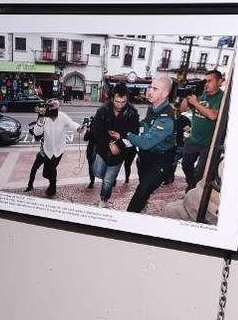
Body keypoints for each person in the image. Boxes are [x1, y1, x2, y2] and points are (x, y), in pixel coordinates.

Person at [110, 76, 176, 213]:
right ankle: (142, 203)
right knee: (143, 187)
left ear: (165, 94)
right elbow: (146, 123)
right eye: (150, 87)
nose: (149, 91)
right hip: (146, 157)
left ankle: (128, 221)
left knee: (141, 191)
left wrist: (124, 133)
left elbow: (146, 143)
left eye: (155, 89)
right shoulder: (152, 108)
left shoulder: (166, 119)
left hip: (160, 160)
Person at [88, 83, 140, 207]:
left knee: (107, 180)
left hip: (119, 153)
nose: (120, 105)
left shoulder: (132, 112)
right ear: (112, 98)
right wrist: (109, 143)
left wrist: (120, 137)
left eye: (123, 102)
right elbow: (96, 130)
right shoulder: (103, 109)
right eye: (117, 101)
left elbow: (134, 133)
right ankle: (110, 179)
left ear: (127, 100)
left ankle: (103, 199)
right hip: (102, 149)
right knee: (98, 172)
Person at [24, 99, 84, 197]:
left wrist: (79, 128)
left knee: (51, 170)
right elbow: (37, 133)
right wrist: (40, 120)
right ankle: (48, 184)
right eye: (51, 109)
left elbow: (72, 124)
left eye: (56, 109)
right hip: (47, 151)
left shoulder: (62, 116)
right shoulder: (44, 119)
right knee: (46, 173)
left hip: (59, 150)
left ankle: (52, 188)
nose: (54, 114)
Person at [179, 69, 224, 190]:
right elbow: (182, 110)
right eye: (206, 81)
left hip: (208, 143)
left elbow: (213, 115)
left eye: (210, 81)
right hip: (193, 139)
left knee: (200, 171)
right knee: (185, 165)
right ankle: (192, 185)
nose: (206, 84)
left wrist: (196, 103)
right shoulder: (200, 94)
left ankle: (193, 189)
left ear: (219, 81)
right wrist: (187, 96)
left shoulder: (221, 97)